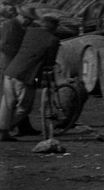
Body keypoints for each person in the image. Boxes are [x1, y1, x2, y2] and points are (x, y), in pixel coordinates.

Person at [0, 13, 61, 141]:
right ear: (54, 27)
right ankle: (4, 128)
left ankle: (4, 132)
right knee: (23, 108)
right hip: (25, 76)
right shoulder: (53, 40)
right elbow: (49, 63)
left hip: (10, 71)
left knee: (7, 104)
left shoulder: (30, 32)